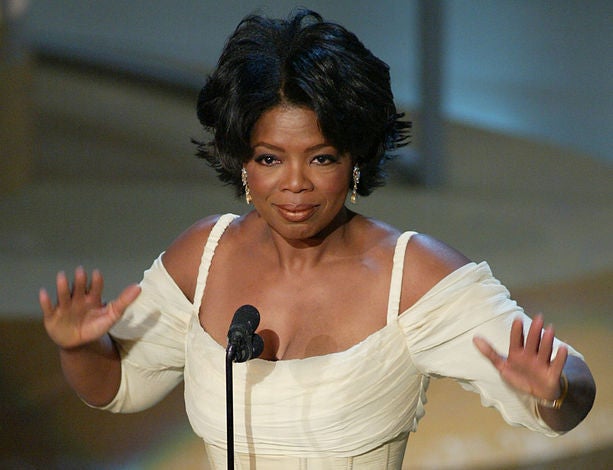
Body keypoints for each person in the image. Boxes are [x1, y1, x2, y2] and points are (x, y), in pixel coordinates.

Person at [39, 9, 595, 469]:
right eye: (270, 159)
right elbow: (116, 386)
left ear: (355, 160)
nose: (295, 183)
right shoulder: (203, 256)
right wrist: (79, 346)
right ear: (242, 162)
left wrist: (555, 389)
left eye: (321, 158)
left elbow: (573, 388)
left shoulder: (412, 274)